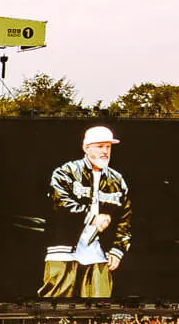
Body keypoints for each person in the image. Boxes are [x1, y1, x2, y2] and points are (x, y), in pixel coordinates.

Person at [40, 124, 128, 299]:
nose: (105, 151)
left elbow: (125, 218)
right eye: (100, 146)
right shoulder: (66, 172)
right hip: (63, 249)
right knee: (56, 301)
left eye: (108, 147)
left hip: (99, 252)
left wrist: (117, 250)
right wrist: (92, 217)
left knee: (99, 303)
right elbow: (60, 203)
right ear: (86, 148)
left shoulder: (117, 180)